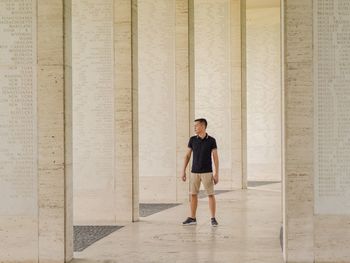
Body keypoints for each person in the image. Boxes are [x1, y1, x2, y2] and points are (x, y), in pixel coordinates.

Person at [181, 118, 219, 226]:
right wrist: (183, 171)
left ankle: (213, 218)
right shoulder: (192, 140)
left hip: (207, 172)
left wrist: (216, 174)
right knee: (193, 194)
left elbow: (215, 157)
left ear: (202, 126)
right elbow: (187, 155)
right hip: (194, 172)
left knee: (210, 194)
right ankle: (192, 218)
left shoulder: (212, 140)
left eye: (196, 126)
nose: (194, 128)